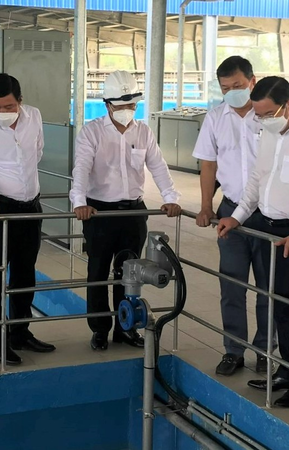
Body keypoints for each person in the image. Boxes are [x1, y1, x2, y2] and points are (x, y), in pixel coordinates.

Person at [217, 76, 289, 408]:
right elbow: (257, 178)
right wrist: (237, 216)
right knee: (274, 301)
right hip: (266, 226)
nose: (263, 120)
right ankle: (287, 370)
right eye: (259, 115)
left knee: (288, 306)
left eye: (268, 113)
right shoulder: (269, 132)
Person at [70, 70, 181, 351]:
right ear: (107, 104)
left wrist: (170, 197)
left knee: (128, 272)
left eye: (131, 106)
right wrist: (79, 202)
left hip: (133, 212)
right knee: (97, 272)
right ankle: (99, 329)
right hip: (99, 213)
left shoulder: (143, 131)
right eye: (120, 107)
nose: (126, 111)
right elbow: (81, 167)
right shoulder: (92, 132)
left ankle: (125, 327)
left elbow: (157, 165)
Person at [193, 55, 276, 376]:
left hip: (269, 214)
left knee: (268, 288)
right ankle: (233, 349)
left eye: (238, 86)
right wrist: (205, 206)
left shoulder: (269, 117)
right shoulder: (215, 118)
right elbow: (208, 165)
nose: (232, 93)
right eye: (225, 88)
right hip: (230, 211)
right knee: (231, 284)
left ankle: (266, 350)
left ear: (253, 82)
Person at [0, 73, 55, 366]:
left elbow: (37, 152)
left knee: (25, 272)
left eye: (7, 106)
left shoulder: (35, 117)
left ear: (20, 101)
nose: (1, 113)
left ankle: (19, 332)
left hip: (31, 207)